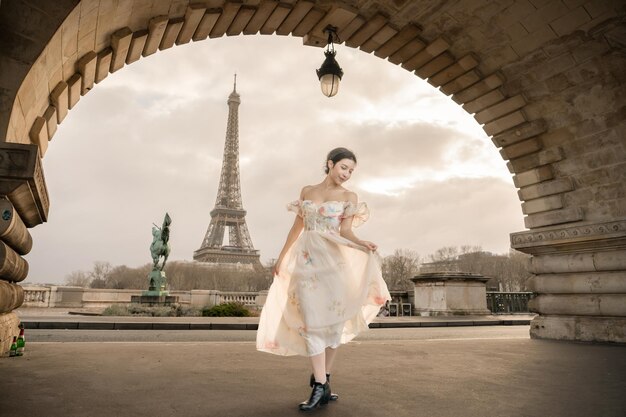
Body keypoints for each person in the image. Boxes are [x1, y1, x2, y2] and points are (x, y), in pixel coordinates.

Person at [256, 147, 391, 411]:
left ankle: (324, 380)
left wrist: (362, 242)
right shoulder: (307, 191)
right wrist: (281, 258)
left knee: (333, 324)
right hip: (307, 262)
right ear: (330, 164)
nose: (347, 174)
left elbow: (346, 231)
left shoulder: (349, 196)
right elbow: (296, 228)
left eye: (351, 171)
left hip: (333, 262)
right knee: (311, 321)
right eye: (344, 167)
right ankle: (319, 385)